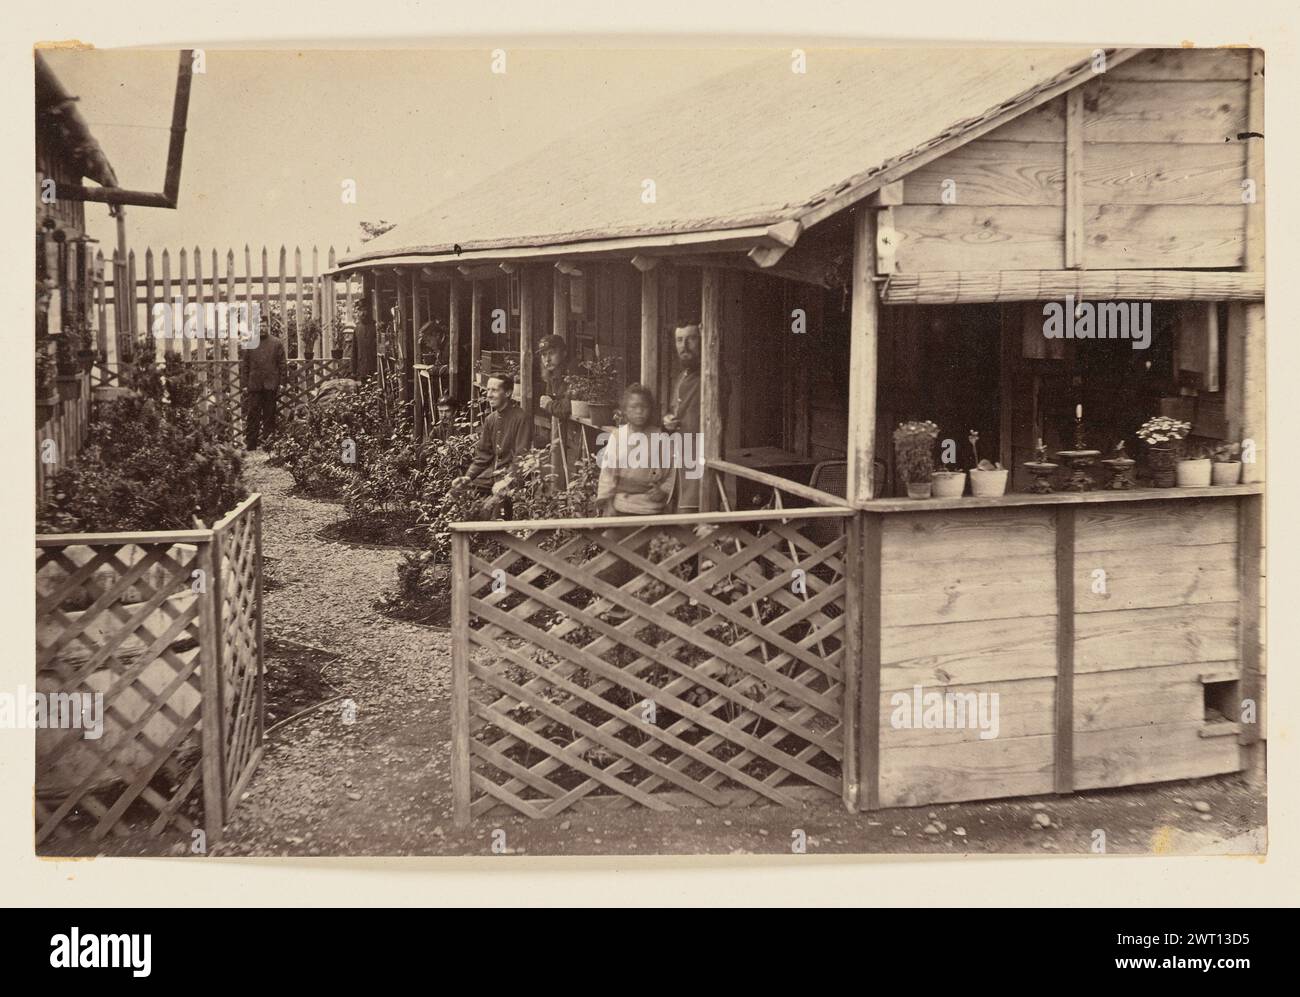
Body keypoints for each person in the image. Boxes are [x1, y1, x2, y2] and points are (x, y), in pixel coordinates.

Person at [451, 374, 531, 517]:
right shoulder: (491, 419)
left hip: (511, 477)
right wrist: (468, 477)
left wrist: (507, 480)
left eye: (494, 390)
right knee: (456, 491)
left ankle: (489, 536)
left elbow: (522, 457)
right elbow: (483, 455)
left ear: (507, 393)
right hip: (492, 475)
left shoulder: (521, 418)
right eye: (487, 390)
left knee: (491, 508)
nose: (489, 395)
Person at [596, 385, 676, 516]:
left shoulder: (661, 438)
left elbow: (672, 471)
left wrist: (663, 490)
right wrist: (608, 504)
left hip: (652, 508)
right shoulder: (617, 436)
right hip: (622, 505)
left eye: (644, 407)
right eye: (633, 407)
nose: (639, 411)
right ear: (625, 411)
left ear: (650, 410)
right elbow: (607, 473)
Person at [240, 324, 287, 450]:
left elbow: (282, 364)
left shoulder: (276, 343)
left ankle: (268, 444)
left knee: (269, 414)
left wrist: (282, 383)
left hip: (270, 385)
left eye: (265, 326)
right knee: (252, 414)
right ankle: (251, 444)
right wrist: (244, 384)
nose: (262, 328)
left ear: (268, 327)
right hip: (254, 385)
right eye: (259, 326)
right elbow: (245, 366)